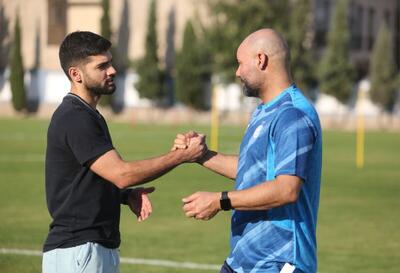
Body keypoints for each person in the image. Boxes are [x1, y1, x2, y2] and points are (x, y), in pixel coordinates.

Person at [42, 31, 205, 273]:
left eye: (110, 62)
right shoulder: (75, 117)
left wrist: (123, 196)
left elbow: (87, 178)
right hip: (79, 251)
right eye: (102, 66)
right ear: (76, 74)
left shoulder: (88, 114)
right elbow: (121, 174)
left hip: (89, 249)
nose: (112, 70)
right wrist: (181, 156)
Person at [173, 28, 322, 273]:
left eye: (240, 64)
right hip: (245, 259)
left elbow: (287, 189)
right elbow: (253, 172)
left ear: (261, 60)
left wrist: (220, 201)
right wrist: (202, 155)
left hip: (280, 262)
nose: (237, 72)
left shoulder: (292, 115)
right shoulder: (266, 111)